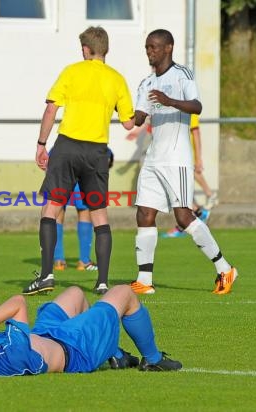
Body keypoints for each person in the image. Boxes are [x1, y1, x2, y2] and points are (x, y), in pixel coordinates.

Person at [22, 26, 135, 296]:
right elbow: (129, 123)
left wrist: (41, 144)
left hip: (68, 147)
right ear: (105, 49)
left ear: (86, 49)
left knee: (52, 207)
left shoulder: (72, 71)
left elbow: (52, 108)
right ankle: (103, 281)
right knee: (99, 214)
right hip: (97, 152)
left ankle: (47, 274)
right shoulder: (117, 79)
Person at [129, 29, 237, 295]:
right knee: (144, 213)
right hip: (153, 158)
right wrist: (130, 114)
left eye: (154, 47)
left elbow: (197, 106)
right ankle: (145, 279)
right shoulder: (146, 82)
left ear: (169, 48)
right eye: (147, 47)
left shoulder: (182, 75)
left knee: (184, 217)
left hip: (176, 158)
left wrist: (169, 101)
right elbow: (140, 116)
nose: (149, 52)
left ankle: (225, 269)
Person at [0, 285, 182, 376]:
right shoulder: (12, 357)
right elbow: (18, 303)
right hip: (76, 348)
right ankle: (153, 360)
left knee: (75, 293)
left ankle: (115, 354)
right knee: (124, 294)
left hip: (47, 334)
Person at [53, 148, 114, 294]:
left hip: (63, 166)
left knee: (58, 211)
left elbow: (50, 159)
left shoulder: (63, 139)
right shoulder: (93, 135)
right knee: (84, 211)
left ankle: (58, 261)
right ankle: (84, 261)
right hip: (86, 168)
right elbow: (107, 158)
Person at [162, 114, 218, 238]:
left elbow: (196, 133)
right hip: (173, 155)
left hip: (182, 155)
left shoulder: (187, 108)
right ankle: (198, 212)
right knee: (176, 189)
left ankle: (184, 225)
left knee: (178, 189)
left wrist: (198, 158)